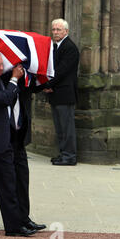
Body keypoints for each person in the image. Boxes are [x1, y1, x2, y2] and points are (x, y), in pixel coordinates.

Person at [0, 51, 47, 233]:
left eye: (1, 65)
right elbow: (4, 99)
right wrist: (13, 79)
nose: (0, 68)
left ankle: (14, 226)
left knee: (8, 184)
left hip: (4, 140)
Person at [42, 19, 80, 166]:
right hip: (56, 93)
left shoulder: (70, 48)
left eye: (58, 30)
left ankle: (70, 156)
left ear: (66, 31)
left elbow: (62, 71)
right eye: (54, 29)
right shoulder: (55, 46)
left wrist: (48, 84)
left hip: (65, 93)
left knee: (67, 127)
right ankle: (63, 153)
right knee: (59, 127)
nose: (55, 32)